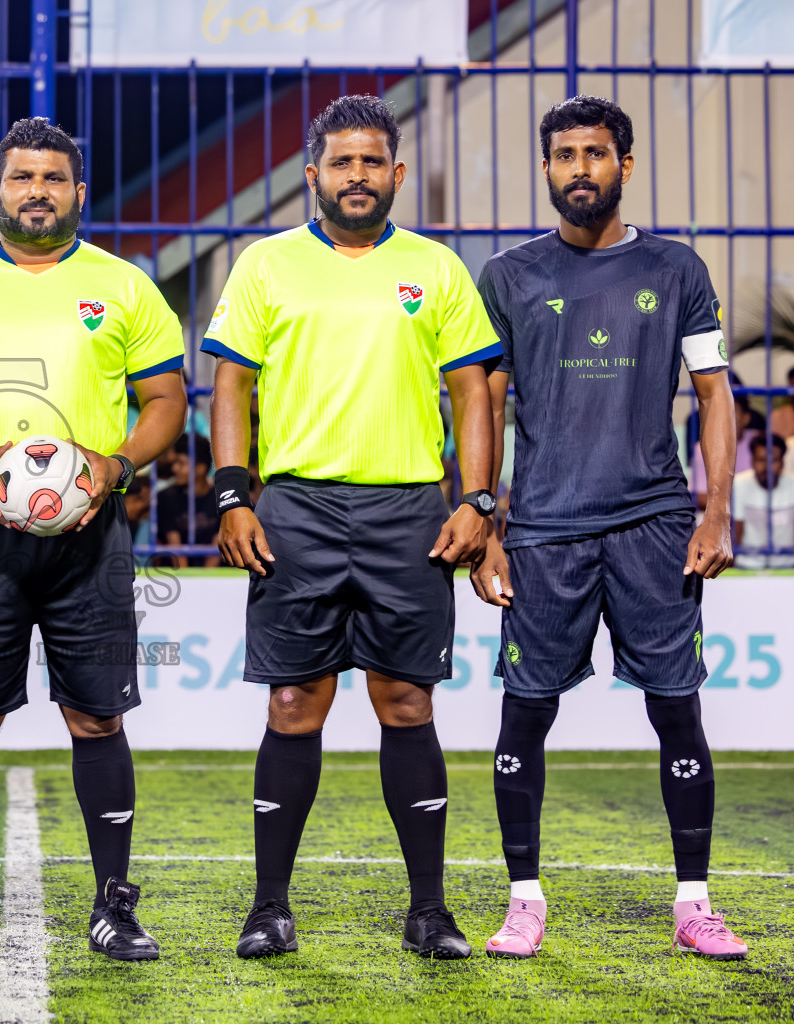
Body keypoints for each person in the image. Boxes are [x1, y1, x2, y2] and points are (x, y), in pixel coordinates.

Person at [205, 95, 499, 961]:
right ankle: (269, 907)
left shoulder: (437, 268)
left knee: (405, 700)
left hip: (409, 510)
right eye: (343, 163)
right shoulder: (265, 265)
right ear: (313, 175)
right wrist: (232, 496)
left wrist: (478, 501)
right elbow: (231, 386)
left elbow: (473, 392)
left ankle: (429, 910)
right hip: (295, 508)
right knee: (295, 702)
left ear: (397, 174)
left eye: (373, 163)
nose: (358, 176)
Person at [0, 117, 187, 961]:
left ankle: (114, 903)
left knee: (97, 720)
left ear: (78, 192)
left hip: (90, 535)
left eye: (54, 178)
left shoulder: (124, 286)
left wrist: (116, 463)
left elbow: (165, 400)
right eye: (21, 178)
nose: (37, 191)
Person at [473, 95, 747, 961]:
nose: (579, 168)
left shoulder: (676, 269)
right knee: (526, 714)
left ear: (625, 166)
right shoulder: (509, 276)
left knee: (678, 712)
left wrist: (715, 510)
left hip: (654, 524)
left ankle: (694, 903)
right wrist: (486, 526)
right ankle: (524, 899)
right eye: (564, 155)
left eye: (596, 153)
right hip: (544, 530)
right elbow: (478, 401)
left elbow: (713, 395)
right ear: (546, 168)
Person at [156, 433, 220, 567]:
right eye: (174, 463)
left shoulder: (219, 497)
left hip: (214, 575)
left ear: (200, 468)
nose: (174, 468)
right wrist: (187, 582)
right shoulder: (166, 497)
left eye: (181, 463)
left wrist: (206, 583)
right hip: (178, 574)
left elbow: (216, 551)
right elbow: (176, 549)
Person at [733, 434, 792, 569]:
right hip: (747, 566)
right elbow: (736, 532)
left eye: (773, 460)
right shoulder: (739, 484)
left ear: (782, 463)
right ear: (752, 461)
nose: (767, 466)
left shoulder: (792, 486)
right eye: (761, 460)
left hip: (787, 566)